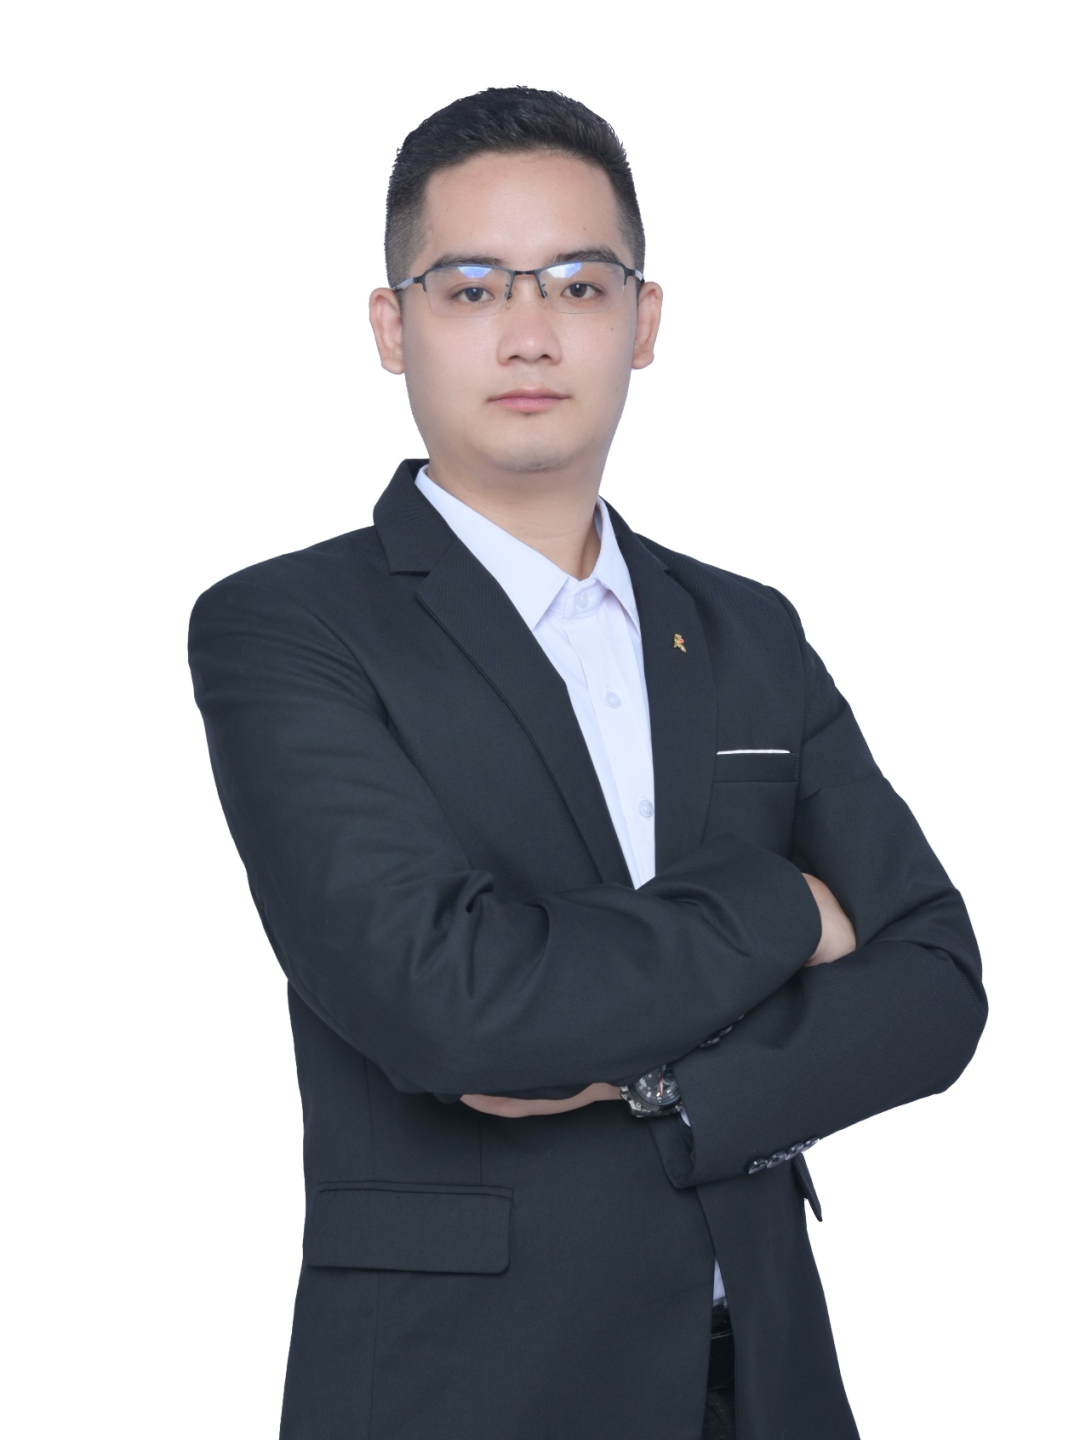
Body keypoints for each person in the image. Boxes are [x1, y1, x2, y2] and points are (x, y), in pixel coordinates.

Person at [188, 86, 987, 1440]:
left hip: (766, 1381)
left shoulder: (746, 628)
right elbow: (455, 1003)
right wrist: (787, 911)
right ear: (392, 327)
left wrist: (668, 1092)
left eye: (577, 283)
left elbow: (935, 984)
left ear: (644, 319)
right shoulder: (288, 629)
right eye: (471, 288)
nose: (530, 331)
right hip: (466, 1389)